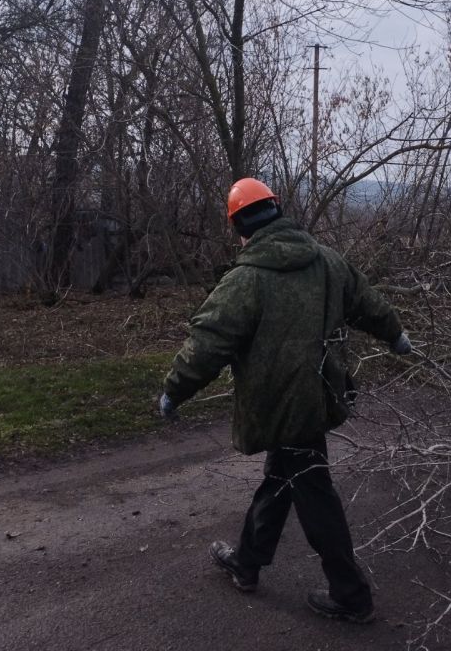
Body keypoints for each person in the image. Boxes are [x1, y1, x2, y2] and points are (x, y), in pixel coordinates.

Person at [158, 177, 412, 624]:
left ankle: (351, 597)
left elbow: (208, 343)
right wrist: (395, 334)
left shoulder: (247, 278)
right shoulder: (328, 261)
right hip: (319, 395)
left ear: (239, 226)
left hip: (278, 404)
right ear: (277, 211)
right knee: (281, 477)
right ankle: (247, 563)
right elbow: (366, 301)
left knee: (314, 493)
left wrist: (174, 390)